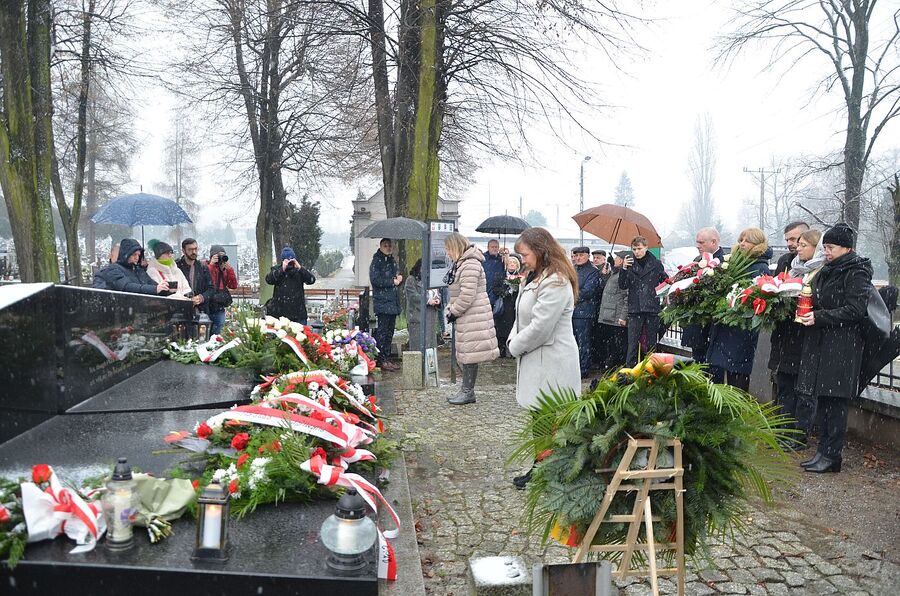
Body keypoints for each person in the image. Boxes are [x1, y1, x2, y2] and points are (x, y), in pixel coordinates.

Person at [507, 227, 581, 489]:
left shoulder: (556, 281)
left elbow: (540, 327)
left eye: (524, 254)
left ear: (540, 251)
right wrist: (512, 338)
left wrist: (514, 346)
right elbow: (521, 316)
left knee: (550, 420)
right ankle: (542, 466)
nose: (522, 260)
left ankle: (551, 470)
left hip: (552, 361)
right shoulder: (537, 277)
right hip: (538, 357)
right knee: (540, 419)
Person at [796, 223, 872, 473]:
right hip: (824, 343)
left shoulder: (856, 271)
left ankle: (832, 455)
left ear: (846, 248)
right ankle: (823, 451)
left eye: (830, 247)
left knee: (835, 403)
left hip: (842, 345)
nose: (826, 252)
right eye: (824, 247)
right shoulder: (828, 269)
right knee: (825, 400)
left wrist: (820, 317)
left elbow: (855, 310)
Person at [769, 228, 823, 448]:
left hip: (807, 337)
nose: (797, 248)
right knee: (785, 386)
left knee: (804, 389)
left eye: (802, 244)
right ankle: (784, 430)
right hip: (786, 335)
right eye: (795, 244)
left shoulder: (820, 270)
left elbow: (820, 300)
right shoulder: (792, 266)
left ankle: (798, 435)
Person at [706, 228, 773, 390]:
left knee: (737, 374)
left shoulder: (760, 267)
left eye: (747, 240)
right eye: (741, 240)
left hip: (741, 329)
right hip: (723, 326)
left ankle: (737, 411)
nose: (742, 243)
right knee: (716, 372)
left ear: (757, 244)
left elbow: (755, 297)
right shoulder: (734, 261)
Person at [444, 232, 499, 404]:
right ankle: (466, 391)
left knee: (469, 353)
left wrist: (453, 311)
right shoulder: (465, 263)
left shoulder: (469, 265)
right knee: (469, 352)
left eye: (448, 249)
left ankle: (467, 392)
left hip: (473, 314)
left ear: (456, 247)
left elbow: (467, 295)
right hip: (471, 314)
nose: (447, 253)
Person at [619, 236, 667, 367]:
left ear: (646, 247)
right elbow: (622, 285)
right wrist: (623, 269)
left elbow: (665, 282)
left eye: (639, 248)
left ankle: (651, 370)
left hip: (651, 307)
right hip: (635, 308)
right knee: (632, 343)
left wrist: (660, 294)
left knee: (652, 343)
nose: (636, 252)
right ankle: (630, 370)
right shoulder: (628, 264)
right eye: (634, 249)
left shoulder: (656, 264)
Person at [680, 227, 725, 363]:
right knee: (697, 364)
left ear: (713, 242)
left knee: (712, 369)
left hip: (713, 324)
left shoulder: (725, 262)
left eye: (701, 242)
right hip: (697, 326)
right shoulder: (697, 260)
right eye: (697, 242)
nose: (697, 246)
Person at [369, 238, 403, 371]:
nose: (388, 248)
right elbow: (375, 280)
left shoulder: (391, 260)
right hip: (383, 302)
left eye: (390, 246)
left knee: (389, 333)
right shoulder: (377, 261)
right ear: (381, 246)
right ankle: (381, 359)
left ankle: (387, 358)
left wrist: (398, 278)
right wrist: (391, 281)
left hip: (392, 302)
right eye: (385, 246)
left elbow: (394, 276)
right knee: (382, 333)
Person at [265, 246, 317, 324]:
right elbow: (269, 280)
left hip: (298, 313)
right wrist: (282, 269)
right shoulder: (277, 270)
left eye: (291, 260)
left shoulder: (299, 271)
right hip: (280, 314)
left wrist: (300, 268)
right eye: (287, 260)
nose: (289, 263)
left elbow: (311, 280)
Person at [571, 246, 601, 377]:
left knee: (584, 342)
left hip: (584, 312)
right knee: (572, 342)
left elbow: (588, 291)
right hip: (571, 311)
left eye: (581, 255)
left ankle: (583, 369)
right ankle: (573, 366)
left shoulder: (592, 271)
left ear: (588, 256)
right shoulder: (572, 269)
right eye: (576, 255)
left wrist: (570, 296)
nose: (578, 258)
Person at [596, 252, 629, 370]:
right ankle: (611, 366)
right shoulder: (614, 273)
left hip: (616, 317)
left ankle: (617, 367)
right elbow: (609, 288)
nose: (614, 259)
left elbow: (626, 297)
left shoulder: (622, 275)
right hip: (609, 315)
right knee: (611, 344)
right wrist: (605, 275)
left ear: (621, 260)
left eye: (617, 257)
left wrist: (623, 316)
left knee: (618, 345)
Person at [104, 238, 170, 296]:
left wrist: (165, 290)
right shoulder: (113, 269)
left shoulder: (139, 270)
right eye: (134, 254)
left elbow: (151, 284)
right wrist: (155, 289)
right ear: (126, 254)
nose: (137, 258)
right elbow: (126, 287)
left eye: (138, 255)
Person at [405, 258, 440, 351]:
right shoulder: (411, 280)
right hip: (417, 317)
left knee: (430, 346)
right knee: (418, 346)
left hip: (430, 317)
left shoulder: (431, 280)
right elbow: (413, 296)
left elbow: (438, 293)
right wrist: (428, 300)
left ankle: (430, 364)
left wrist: (437, 300)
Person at [492, 253, 523, 356]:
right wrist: (505, 292)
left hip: (514, 306)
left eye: (514, 263)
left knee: (512, 328)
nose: (512, 264)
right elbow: (495, 289)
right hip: (503, 306)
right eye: (510, 262)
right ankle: (501, 350)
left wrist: (515, 288)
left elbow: (522, 290)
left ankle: (512, 350)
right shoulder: (500, 275)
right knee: (501, 328)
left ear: (517, 265)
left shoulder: (521, 277)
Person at [176, 238, 214, 312]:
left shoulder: (202, 267)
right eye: (190, 249)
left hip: (200, 310)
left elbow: (211, 288)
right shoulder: (176, 267)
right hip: (181, 309)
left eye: (195, 249)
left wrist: (201, 298)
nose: (194, 252)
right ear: (183, 251)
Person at [208, 244, 238, 335]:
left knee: (218, 329)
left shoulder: (225, 269)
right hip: (208, 304)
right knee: (206, 330)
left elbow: (233, 285)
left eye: (223, 255)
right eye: (218, 255)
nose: (221, 258)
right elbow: (207, 280)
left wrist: (229, 270)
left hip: (219, 305)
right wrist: (212, 264)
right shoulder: (206, 266)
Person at [482, 239, 505, 309]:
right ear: (488, 247)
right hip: (485, 291)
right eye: (492, 247)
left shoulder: (502, 259)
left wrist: (506, 257)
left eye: (496, 247)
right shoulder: (482, 258)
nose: (494, 249)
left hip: (497, 292)